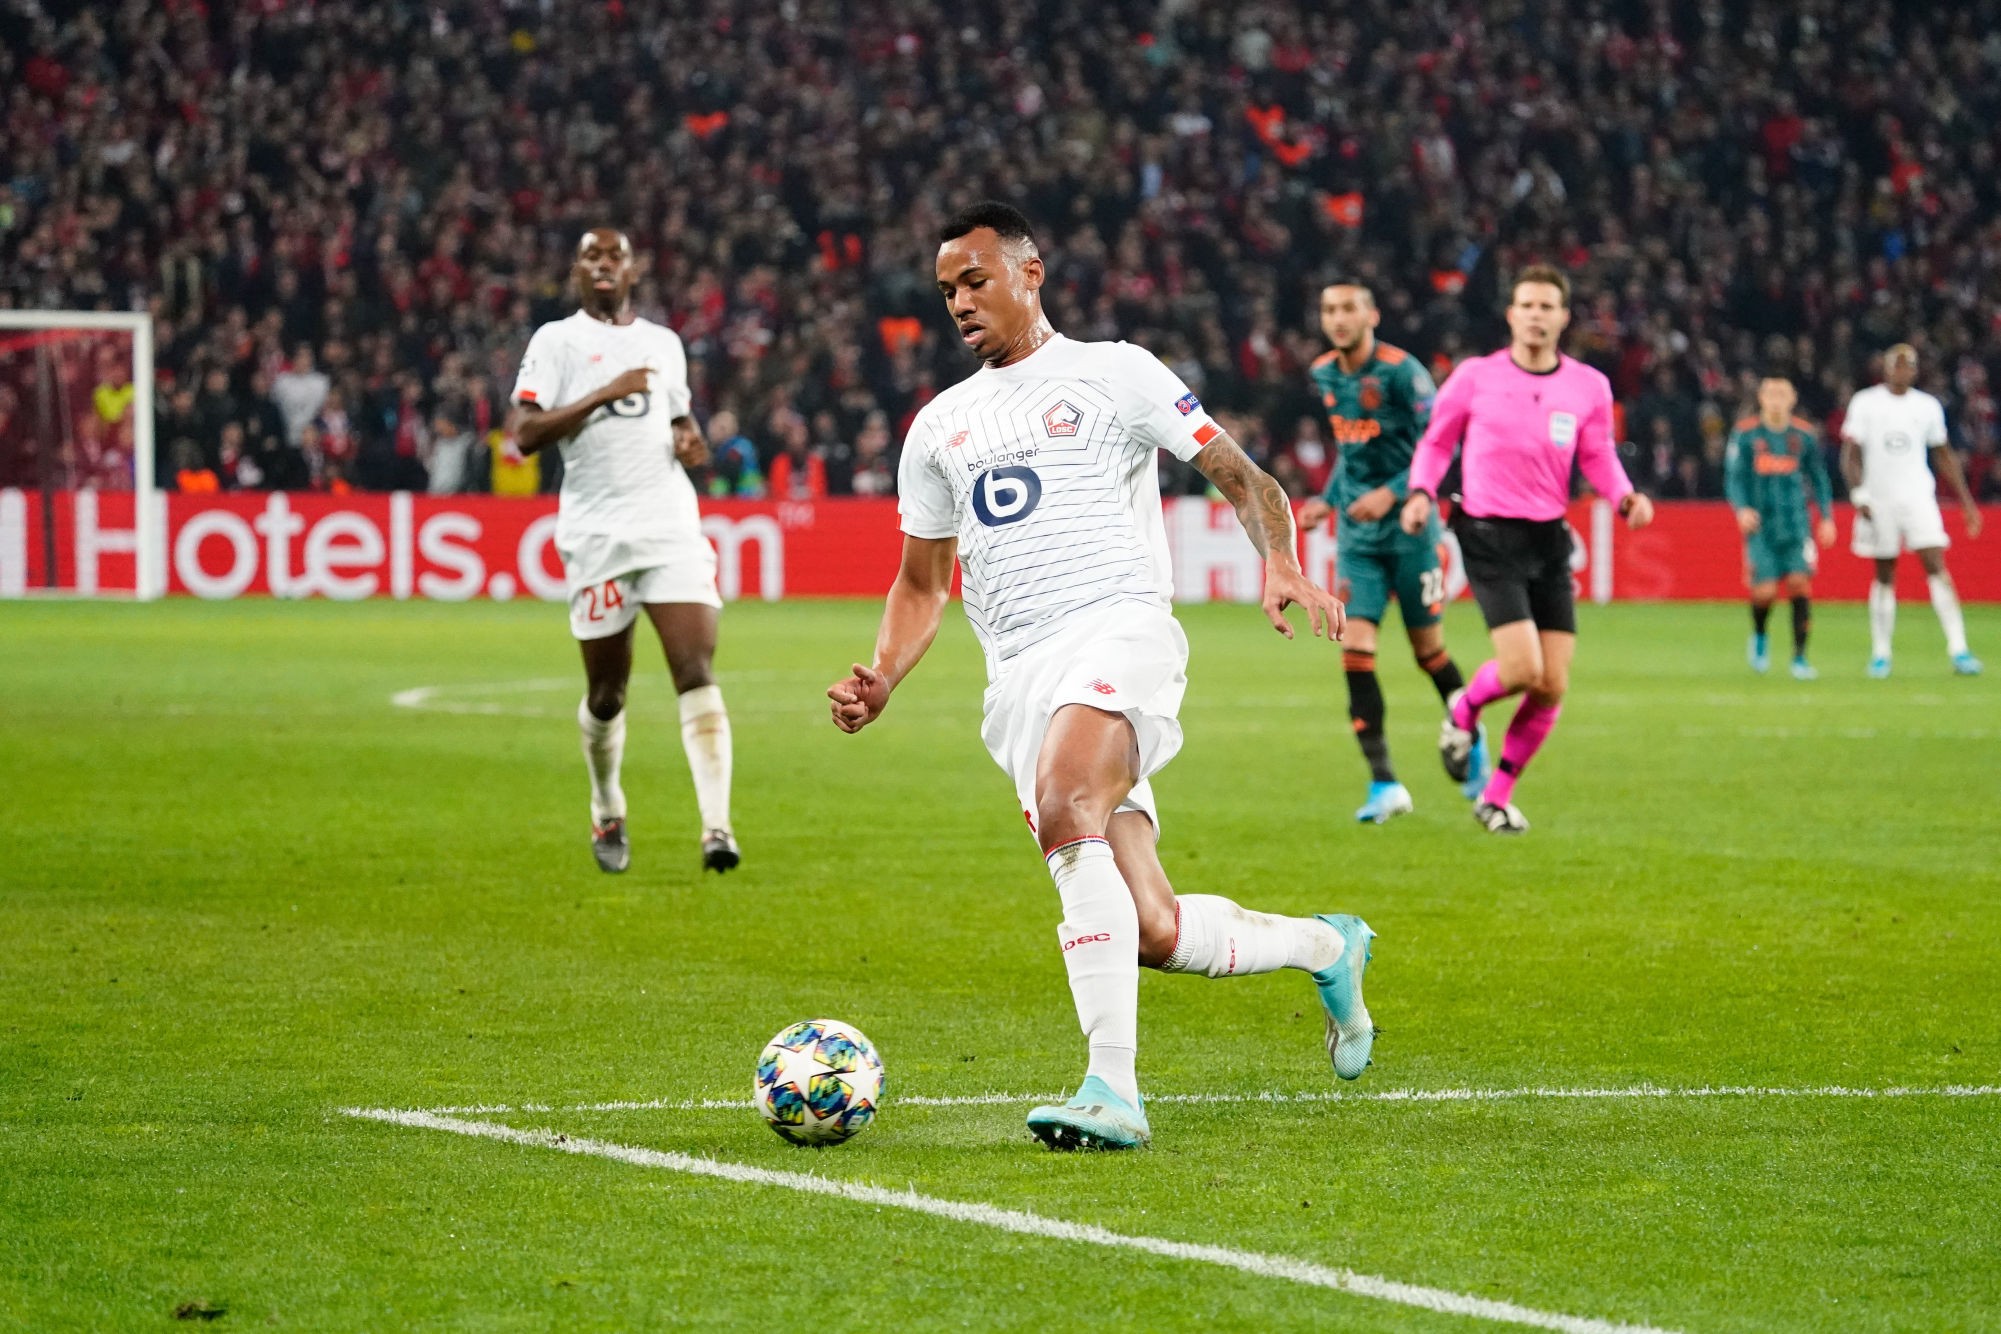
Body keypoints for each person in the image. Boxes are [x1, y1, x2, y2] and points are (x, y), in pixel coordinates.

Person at [826, 202, 1376, 1152]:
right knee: (1153, 928)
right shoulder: (938, 427)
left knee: (1066, 801)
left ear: (1029, 274)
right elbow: (922, 582)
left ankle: (1110, 1089)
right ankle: (1328, 946)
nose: (958, 301)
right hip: (1019, 683)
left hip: (1119, 632)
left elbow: (1243, 477)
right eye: (946, 289)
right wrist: (883, 675)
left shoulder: (1114, 371)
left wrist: (1280, 560)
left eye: (975, 280)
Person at [508, 228, 740, 874]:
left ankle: (716, 827)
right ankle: (607, 801)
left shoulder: (663, 344)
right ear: (576, 271)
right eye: (591, 256)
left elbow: (678, 424)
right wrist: (602, 392)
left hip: (668, 523)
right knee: (606, 693)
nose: (603, 266)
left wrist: (691, 443)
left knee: (695, 668)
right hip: (597, 534)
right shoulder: (556, 342)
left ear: (633, 270)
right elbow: (522, 434)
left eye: (614, 257)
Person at [1401, 265, 1655, 835]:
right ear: (1512, 314)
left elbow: (1597, 456)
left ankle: (1495, 797)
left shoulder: (1587, 385)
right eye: (1528, 305)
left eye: (1548, 306)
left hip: (1548, 537)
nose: (1538, 315)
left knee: (1551, 684)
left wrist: (1624, 497)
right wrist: (1421, 492)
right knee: (1521, 668)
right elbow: (1437, 442)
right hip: (1488, 532)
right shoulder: (1475, 377)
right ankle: (1463, 712)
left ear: (1564, 317)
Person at [1297, 280, 1484, 824]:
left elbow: (1439, 446)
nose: (1337, 318)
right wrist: (1327, 501)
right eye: (1329, 309)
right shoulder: (1324, 372)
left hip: (1410, 530)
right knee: (1355, 651)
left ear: (1372, 314)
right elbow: (1349, 454)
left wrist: (1394, 493)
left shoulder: (1405, 373)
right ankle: (1385, 783)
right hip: (1358, 540)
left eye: (1348, 308)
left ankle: (1470, 729)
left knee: (1430, 653)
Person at [1840, 344, 1983, 677]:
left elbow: (1943, 454)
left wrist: (1966, 501)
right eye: (1897, 364)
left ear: (1916, 370)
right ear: (1886, 367)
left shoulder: (1927, 406)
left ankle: (1959, 649)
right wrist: (1859, 494)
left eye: (1909, 365)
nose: (1903, 370)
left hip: (1918, 496)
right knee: (1885, 572)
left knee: (1935, 563)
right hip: (1879, 499)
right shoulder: (1866, 403)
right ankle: (1881, 653)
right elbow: (1850, 454)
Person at [1724, 375, 1836, 679]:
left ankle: (1799, 658)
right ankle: (1759, 636)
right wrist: (1742, 509)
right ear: (1761, 398)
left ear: (1792, 398)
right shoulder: (1746, 435)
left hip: (1797, 524)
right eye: (1770, 393)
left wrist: (1826, 517)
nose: (1775, 399)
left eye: (1781, 393)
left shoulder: (1804, 435)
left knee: (1800, 583)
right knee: (1765, 592)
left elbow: (1819, 479)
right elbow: (1734, 478)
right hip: (1761, 526)